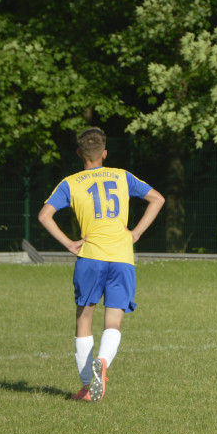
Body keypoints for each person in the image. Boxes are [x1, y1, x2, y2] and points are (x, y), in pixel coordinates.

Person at [38, 127, 165, 402]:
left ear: (79, 153)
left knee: (84, 317)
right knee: (114, 320)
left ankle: (87, 385)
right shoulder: (122, 176)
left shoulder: (70, 182)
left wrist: (70, 243)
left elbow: (44, 215)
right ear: (104, 153)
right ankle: (103, 361)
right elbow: (157, 199)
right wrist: (136, 233)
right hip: (122, 257)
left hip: (91, 255)